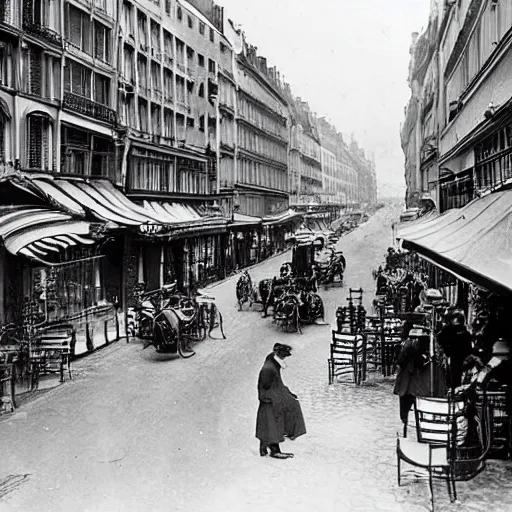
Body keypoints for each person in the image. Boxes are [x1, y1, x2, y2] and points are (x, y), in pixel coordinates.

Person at [256, 343, 306, 458]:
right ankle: (274, 450)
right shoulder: (269, 368)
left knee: (268, 425)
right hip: (269, 400)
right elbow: (265, 386)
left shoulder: (273, 363)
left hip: (270, 399)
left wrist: (286, 393)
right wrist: (276, 397)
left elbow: (276, 384)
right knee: (273, 424)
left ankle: (264, 448)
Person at [393, 328, 432, 436]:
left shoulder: (415, 348)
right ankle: (406, 429)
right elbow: (401, 362)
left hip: (414, 385)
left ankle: (410, 429)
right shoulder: (406, 348)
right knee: (405, 413)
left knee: (413, 411)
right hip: (408, 384)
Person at [437, 309, 473, 391]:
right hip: (454, 355)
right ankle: (454, 389)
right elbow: (440, 338)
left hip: (461, 356)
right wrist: (446, 349)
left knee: (458, 375)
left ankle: (456, 389)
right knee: (453, 375)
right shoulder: (449, 329)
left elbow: (468, 343)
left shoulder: (463, 331)